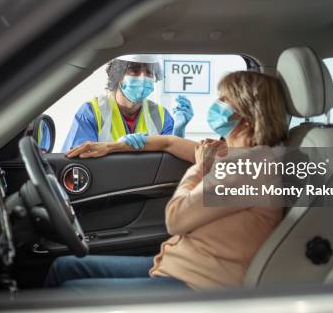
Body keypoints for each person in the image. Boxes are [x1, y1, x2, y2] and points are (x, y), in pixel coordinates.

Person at [46, 70, 289, 291]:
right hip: (178, 265)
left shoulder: (252, 166)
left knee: (73, 290)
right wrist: (110, 146)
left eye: (225, 100)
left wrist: (201, 167)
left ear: (247, 116)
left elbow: (176, 219)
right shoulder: (231, 153)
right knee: (64, 266)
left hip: (200, 283)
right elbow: (168, 143)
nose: (217, 105)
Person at [52, 55, 194, 152]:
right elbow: (77, 162)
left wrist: (178, 131)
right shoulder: (92, 112)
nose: (143, 78)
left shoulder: (161, 115)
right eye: (135, 71)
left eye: (149, 73)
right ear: (117, 76)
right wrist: (117, 147)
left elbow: (171, 161)